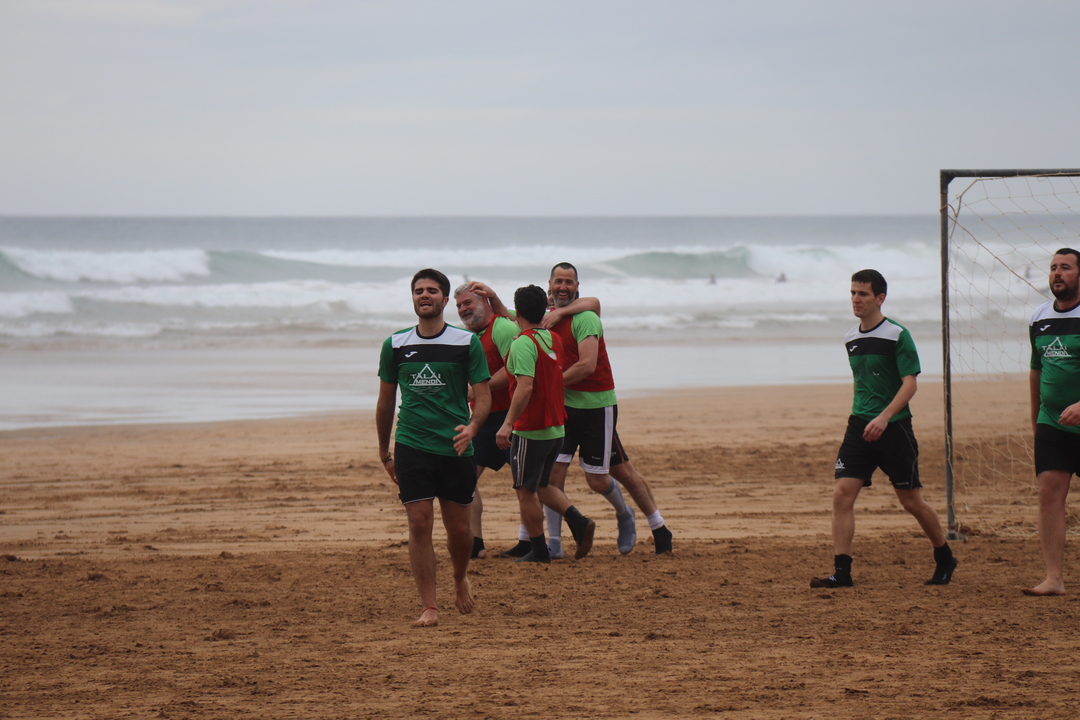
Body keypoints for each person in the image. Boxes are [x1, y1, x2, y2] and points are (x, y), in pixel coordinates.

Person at [811, 269, 956, 588]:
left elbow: (910, 384)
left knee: (911, 501)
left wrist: (884, 417)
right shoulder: (851, 338)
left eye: (863, 294)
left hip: (894, 428)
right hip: (859, 427)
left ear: (880, 298)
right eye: (852, 293)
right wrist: (866, 417)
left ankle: (945, 556)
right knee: (841, 495)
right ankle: (842, 573)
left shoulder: (897, 335)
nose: (856, 299)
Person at [376, 268, 492, 627]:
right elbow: (385, 402)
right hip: (412, 444)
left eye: (431, 290)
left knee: (459, 531)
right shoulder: (395, 344)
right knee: (418, 523)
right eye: (418, 291)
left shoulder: (465, 343)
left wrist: (473, 427)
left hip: (455, 446)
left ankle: (459, 577)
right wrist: (384, 451)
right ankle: (430, 606)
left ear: (444, 299)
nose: (424, 295)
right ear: (413, 298)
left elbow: (484, 396)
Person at [544, 262, 674, 557]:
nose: (563, 287)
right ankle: (555, 543)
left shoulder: (586, 317)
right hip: (563, 407)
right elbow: (514, 314)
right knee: (552, 478)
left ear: (577, 286)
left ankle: (643, 521)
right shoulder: (546, 317)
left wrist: (549, 384)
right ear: (549, 285)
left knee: (605, 477)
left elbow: (587, 366)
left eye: (569, 282)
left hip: (596, 407)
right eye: (558, 281)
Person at [495, 284, 597, 563]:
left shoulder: (522, 343)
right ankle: (579, 522)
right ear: (544, 309)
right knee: (541, 485)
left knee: (525, 491)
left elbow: (525, 387)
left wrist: (507, 423)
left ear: (518, 313)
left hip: (532, 428)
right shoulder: (554, 339)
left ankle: (539, 551)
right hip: (556, 427)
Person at [1024, 248, 1080, 596]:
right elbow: (1036, 371)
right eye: (1053, 267)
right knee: (1049, 494)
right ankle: (1054, 579)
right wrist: (1036, 421)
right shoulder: (1039, 317)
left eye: (1066, 268)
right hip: (1052, 423)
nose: (1057, 273)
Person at [454, 282, 519, 560]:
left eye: (468, 303)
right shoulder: (468, 337)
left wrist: (480, 389)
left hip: (511, 416)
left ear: (484, 302)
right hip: (483, 418)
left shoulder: (502, 328)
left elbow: (515, 368)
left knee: (529, 484)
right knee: (465, 478)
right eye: (459, 306)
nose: (463, 309)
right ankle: (476, 543)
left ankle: (536, 540)